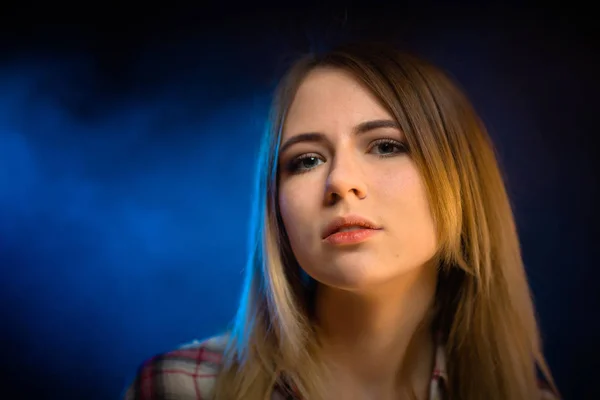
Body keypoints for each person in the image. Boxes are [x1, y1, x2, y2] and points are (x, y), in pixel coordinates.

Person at [124, 42, 560, 400]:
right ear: (276, 209)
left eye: (386, 146)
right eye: (307, 160)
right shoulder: (182, 390)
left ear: (463, 182)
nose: (340, 182)